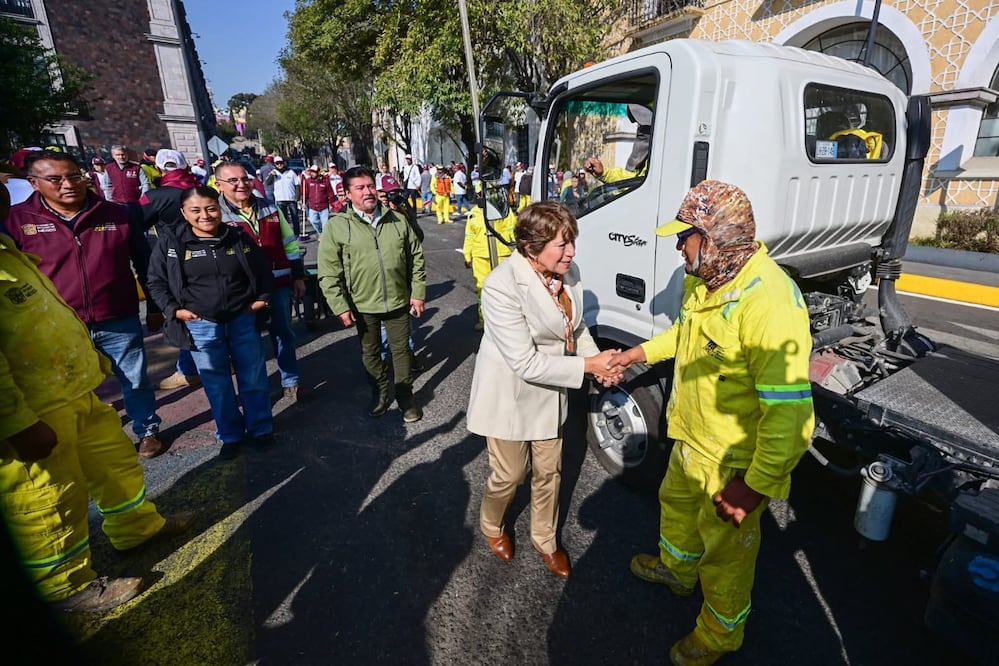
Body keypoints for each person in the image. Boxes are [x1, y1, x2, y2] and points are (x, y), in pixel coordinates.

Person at [606, 181, 815, 665]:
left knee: (727, 558)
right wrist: (636, 353)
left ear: (717, 238)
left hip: (732, 461)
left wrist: (754, 487)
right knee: (675, 509)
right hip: (690, 440)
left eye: (686, 236)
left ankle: (719, 636)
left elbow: (790, 415)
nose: (679, 245)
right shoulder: (705, 280)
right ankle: (677, 572)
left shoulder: (770, 303)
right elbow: (685, 334)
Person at [0, 180, 193, 613]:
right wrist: (15, 422)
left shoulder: (7, 247)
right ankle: (65, 587)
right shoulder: (16, 233)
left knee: (115, 468)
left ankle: (135, 528)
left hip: (75, 392)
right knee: (48, 499)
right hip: (32, 412)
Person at [466, 201, 621, 578]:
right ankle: (490, 525)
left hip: (552, 392)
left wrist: (599, 362)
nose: (571, 253)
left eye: (572, 242)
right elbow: (524, 362)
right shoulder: (502, 286)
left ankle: (545, 539)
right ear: (531, 246)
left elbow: (576, 326)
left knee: (550, 472)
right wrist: (587, 367)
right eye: (561, 245)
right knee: (510, 475)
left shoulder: (568, 272)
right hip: (510, 392)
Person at [6, 150, 166, 458]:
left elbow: (144, 262)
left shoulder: (118, 214)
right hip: (56, 324)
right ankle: (82, 435)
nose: (68, 184)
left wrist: (156, 307)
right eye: (55, 179)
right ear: (33, 183)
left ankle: (147, 429)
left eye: (74, 176)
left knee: (134, 378)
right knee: (69, 386)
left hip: (117, 315)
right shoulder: (16, 222)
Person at [147, 186, 274, 460]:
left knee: (252, 377)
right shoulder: (172, 243)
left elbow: (263, 270)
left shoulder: (238, 237)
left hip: (242, 319)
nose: (205, 215)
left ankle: (261, 428)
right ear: (183, 212)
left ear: (219, 208)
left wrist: (262, 299)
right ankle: (230, 435)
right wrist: (174, 310)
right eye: (195, 210)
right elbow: (156, 282)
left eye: (210, 208)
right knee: (217, 383)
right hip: (201, 325)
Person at [318, 166, 426, 423]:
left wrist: (418, 292)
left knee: (400, 351)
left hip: (398, 300)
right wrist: (340, 306)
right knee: (371, 352)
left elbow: (416, 258)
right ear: (347, 194)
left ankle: (405, 396)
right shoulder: (337, 226)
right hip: (362, 304)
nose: (368, 192)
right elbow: (328, 271)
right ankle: (380, 393)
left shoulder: (396, 219)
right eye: (360, 187)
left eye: (370, 186)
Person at [215, 162, 307, 402]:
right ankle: (256, 389)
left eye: (244, 179)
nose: (241, 185)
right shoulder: (216, 214)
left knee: (283, 334)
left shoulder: (270, 208)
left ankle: (291, 380)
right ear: (219, 185)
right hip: (242, 291)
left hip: (278, 284)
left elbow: (289, 243)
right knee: (249, 342)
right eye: (233, 181)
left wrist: (298, 276)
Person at [139, 149, 203, 391]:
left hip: (174, 262)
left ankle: (188, 369)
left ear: (158, 169)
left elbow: (137, 223)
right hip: (207, 257)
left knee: (184, 316)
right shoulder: (199, 188)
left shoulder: (154, 196)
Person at [463, 191, 516, 331]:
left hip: (501, 254)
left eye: (483, 193)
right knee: (482, 288)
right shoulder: (474, 213)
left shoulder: (502, 209)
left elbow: (513, 230)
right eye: (479, 194)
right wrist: (467, 255)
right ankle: (485, 320)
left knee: (505, 288)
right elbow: (469, 235)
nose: (481, 197)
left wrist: (518, 250)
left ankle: (507, 320)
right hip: (480, 256)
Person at [268, 156, 305, 241]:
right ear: (275, 164)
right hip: (280, 199)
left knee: (295, 217)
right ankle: (287, 234)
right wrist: (271, 175)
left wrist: (297, 196)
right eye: (277, 163)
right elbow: (267, 183)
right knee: (284, 219)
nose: (279, 165)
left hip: (291, 198)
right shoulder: (274, 173)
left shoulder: (291, 172)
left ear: (283, 162)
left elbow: (297, 185)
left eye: (281, 162)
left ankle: (297, 233)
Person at [301, 165, 335, 237]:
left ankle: (324, 237)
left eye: (314, 172)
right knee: (313, 221)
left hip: (324, 207)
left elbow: (330, 193)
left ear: (318, 172)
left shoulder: (325, 181)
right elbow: (305, 193)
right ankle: (321, 233)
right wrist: (303, 202)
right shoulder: (308, 181)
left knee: (325, 224)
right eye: (311, 172)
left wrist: (332, 204)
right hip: (313, 206)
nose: (312, 173)